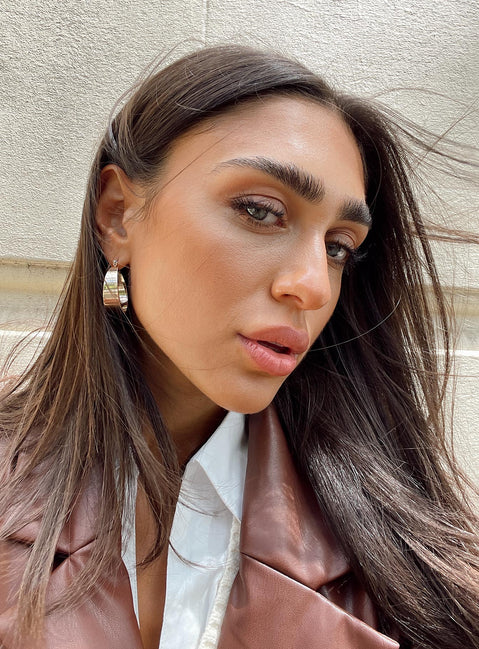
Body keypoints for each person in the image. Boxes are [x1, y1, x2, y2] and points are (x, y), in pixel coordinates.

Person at [0, 45, 478, 649]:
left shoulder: (403, 566)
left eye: (338, 247)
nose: (312, 286)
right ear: (118, 216)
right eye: (260, 211)